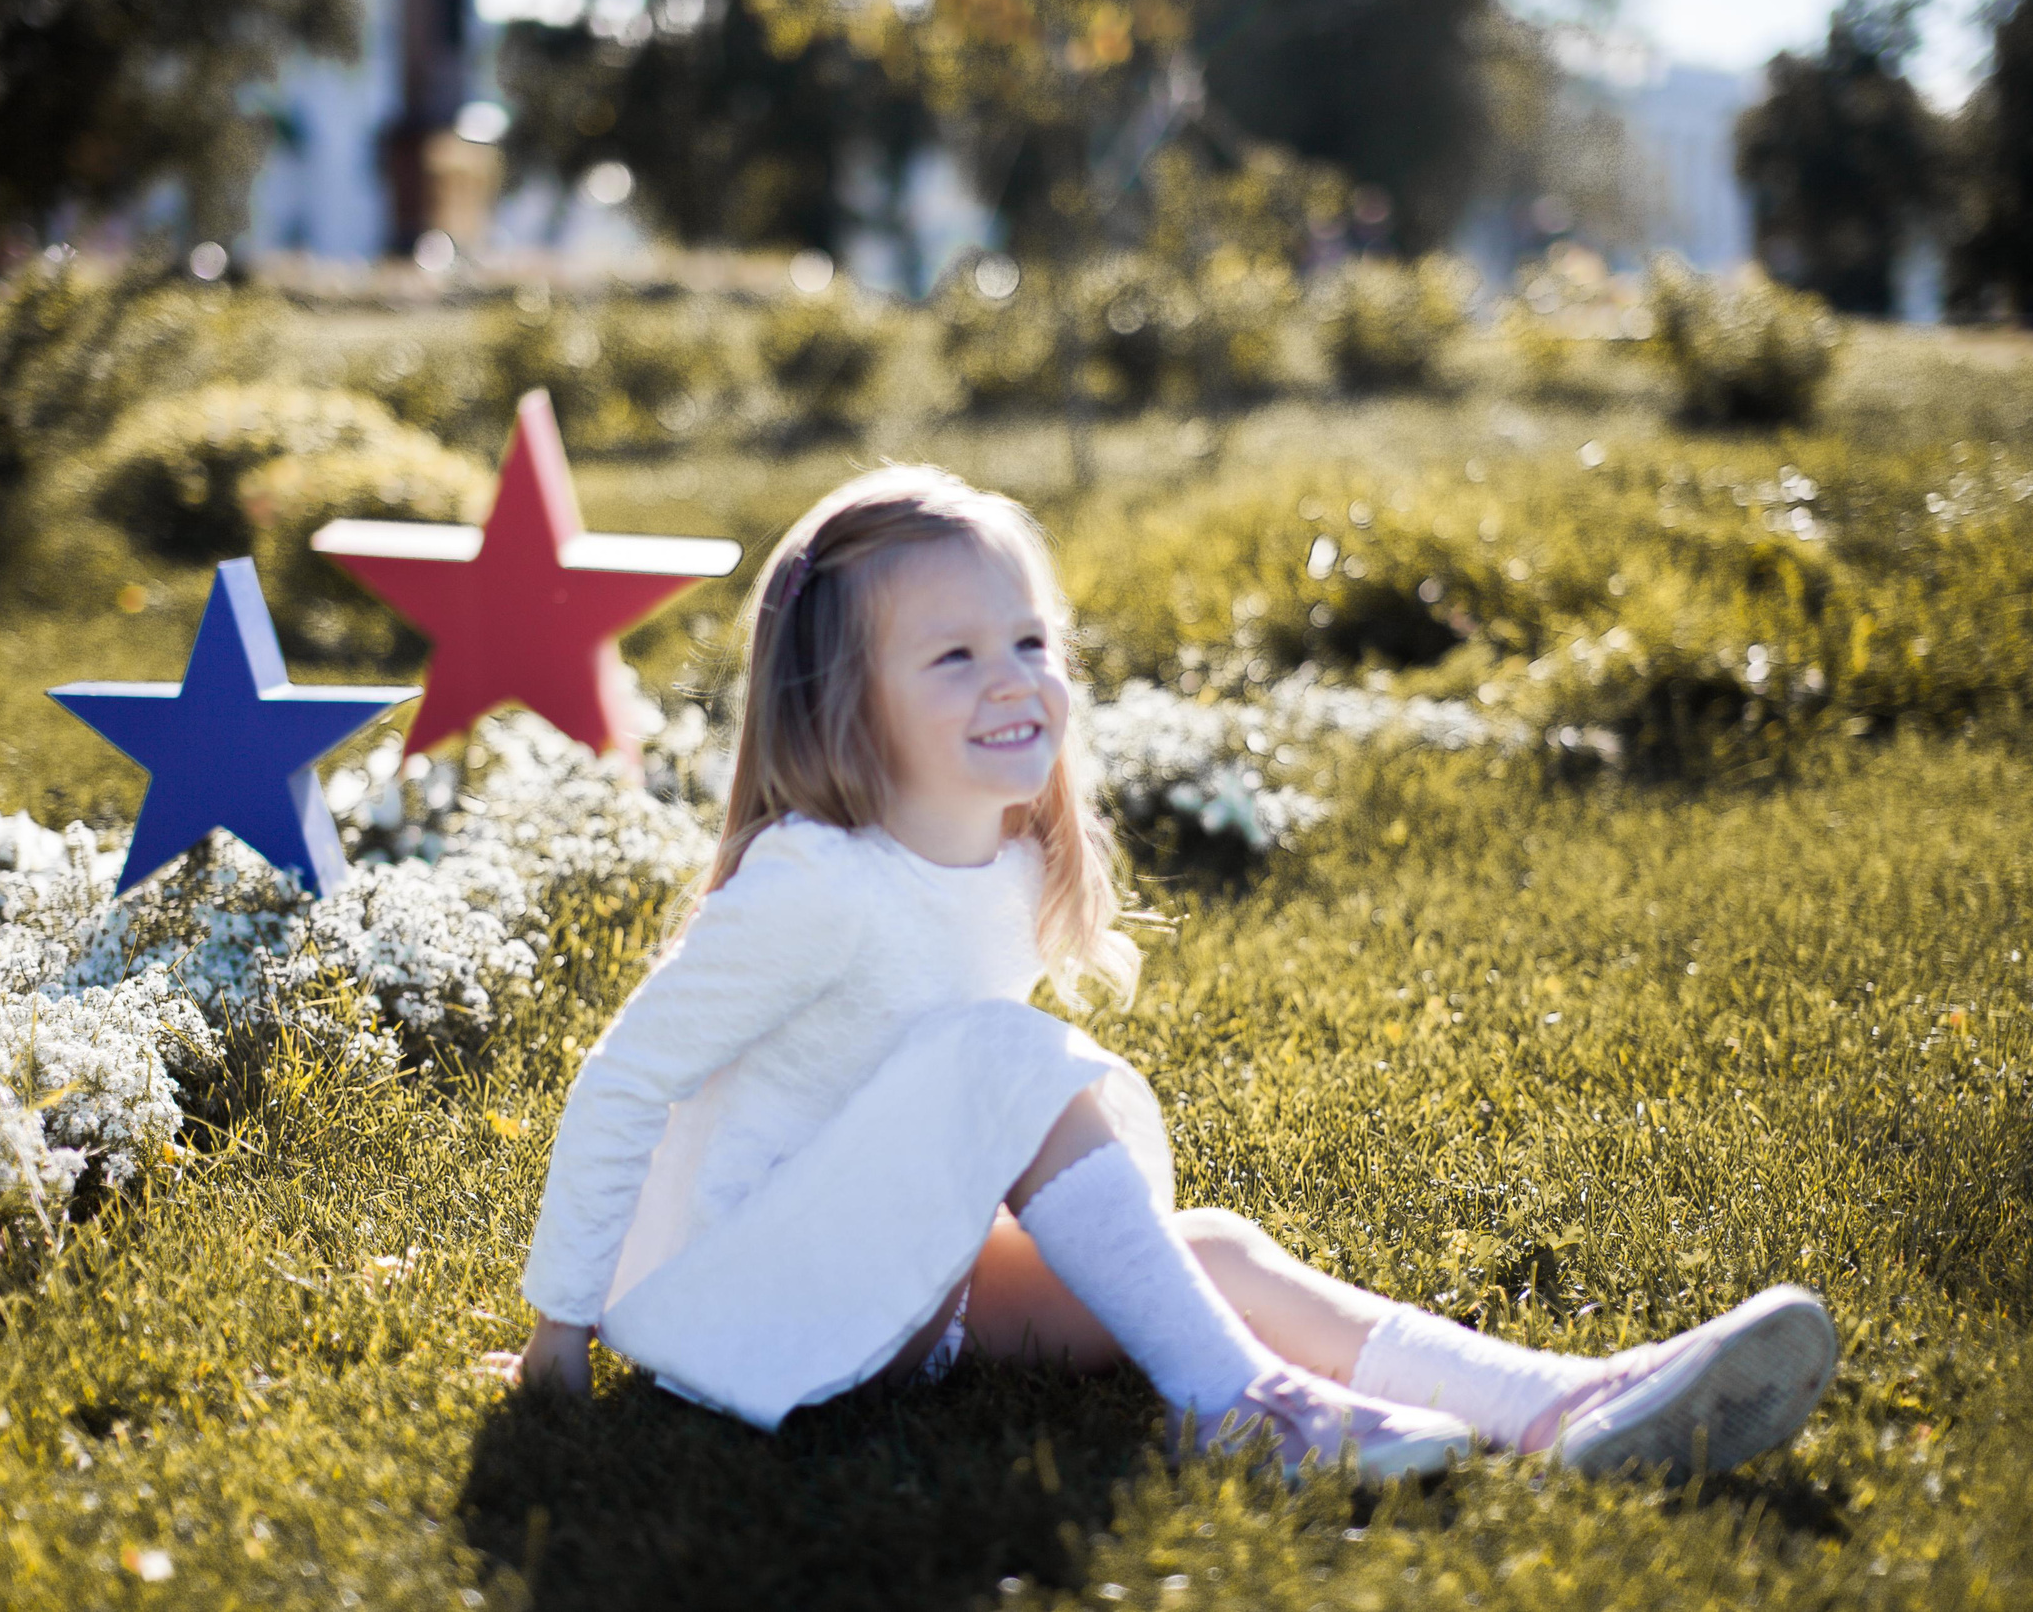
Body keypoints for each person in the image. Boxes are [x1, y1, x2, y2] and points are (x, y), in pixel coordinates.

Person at [485, 467, 1838, 1482]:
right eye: (954, 655)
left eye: (1030, 644)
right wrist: (561, 1336)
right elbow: (626, 1083)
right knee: (1002, 1059)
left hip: (896, 1288)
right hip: (741, 1314)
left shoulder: (1008, 866)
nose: (1014, 680)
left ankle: (1559, 1401)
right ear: (844, 705)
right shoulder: (815, 884)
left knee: (1216, 1252)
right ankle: (1234, 1405)